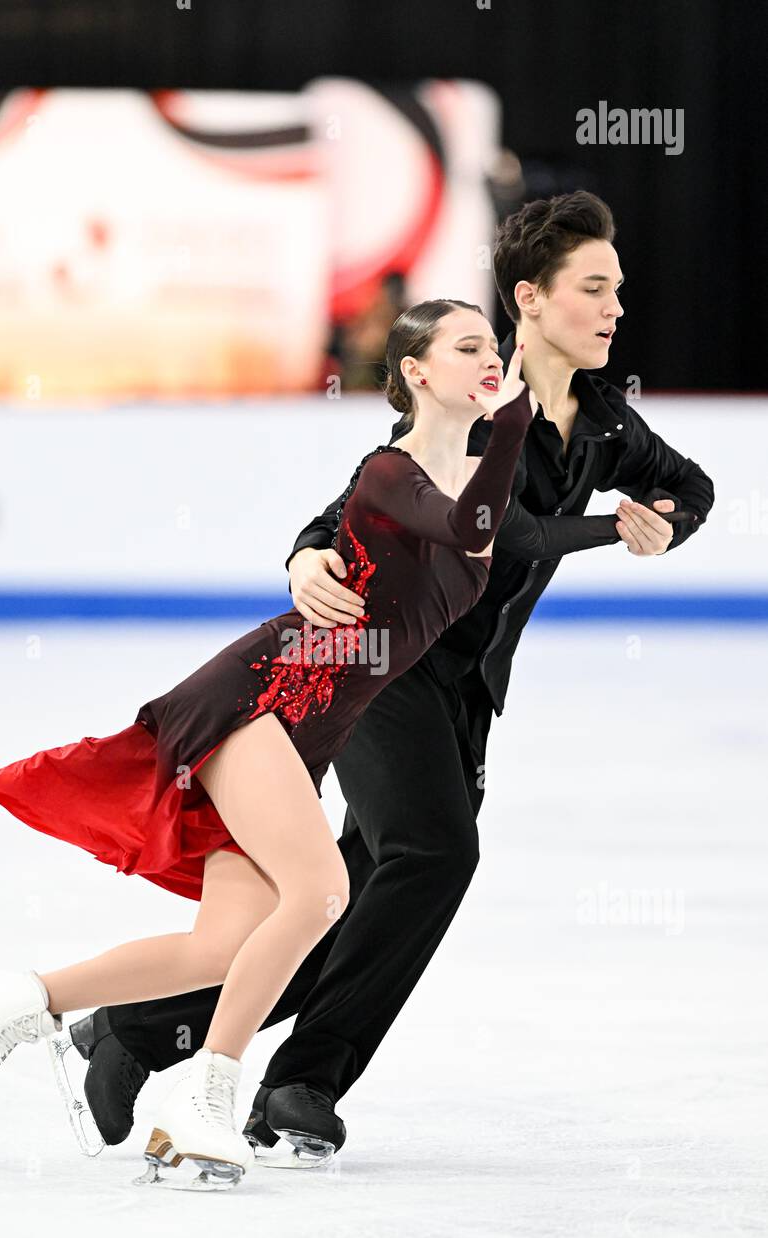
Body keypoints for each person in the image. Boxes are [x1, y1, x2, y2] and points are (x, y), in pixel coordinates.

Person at [67, 192, 714, 1162]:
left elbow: (693, 488)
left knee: (343, 907)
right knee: (434, 853)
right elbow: (395, 519)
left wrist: (661, 516)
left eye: (616, 288)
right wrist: (303, 560)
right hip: (379, 668)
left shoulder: (606, 429)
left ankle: (134, 1030)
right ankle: (300, 1082)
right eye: (592, 288)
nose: (614, 306)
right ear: (528, 300)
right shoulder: (474, 406)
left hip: (462, 699)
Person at [0, 298, 535, 1189]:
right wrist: (513, 423)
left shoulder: (461, 485)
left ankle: (8, 1001)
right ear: (416, 372)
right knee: (323, 889)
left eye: (495, 348)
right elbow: (469, 530)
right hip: (264, 697)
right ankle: (206, 1097)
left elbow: (488, 528)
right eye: (469, 347)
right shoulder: (390, 472)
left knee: (221, 947)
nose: (491, 361)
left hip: (306, 730)